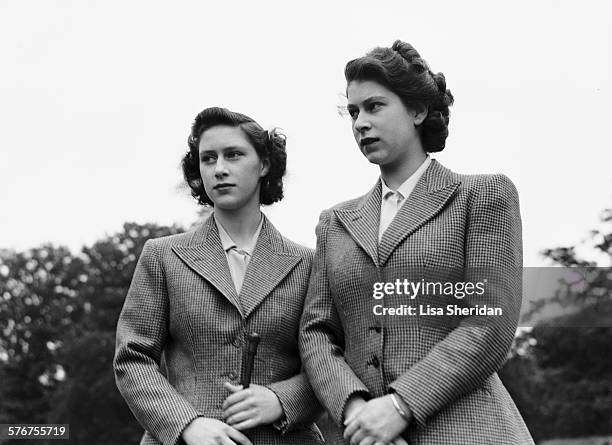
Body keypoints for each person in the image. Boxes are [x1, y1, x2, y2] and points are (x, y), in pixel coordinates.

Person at [299, 41, 534, 444]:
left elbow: (489, 324)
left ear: (418, 110)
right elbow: (317, 333)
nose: (360, 123)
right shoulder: (335, 222)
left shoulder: (482, 195)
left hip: (470, 431)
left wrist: (400, 405)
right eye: (353, 112)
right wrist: (356, 411)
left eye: (374, 106)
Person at [114, 107, 323, 445]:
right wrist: (186, 425)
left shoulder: (308, 263)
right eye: (208, 158)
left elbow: (329, 360)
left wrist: (282, 399)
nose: (219, 169)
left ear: (265, 164)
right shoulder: (163, 255)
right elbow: (132, 357)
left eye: (234, 155)